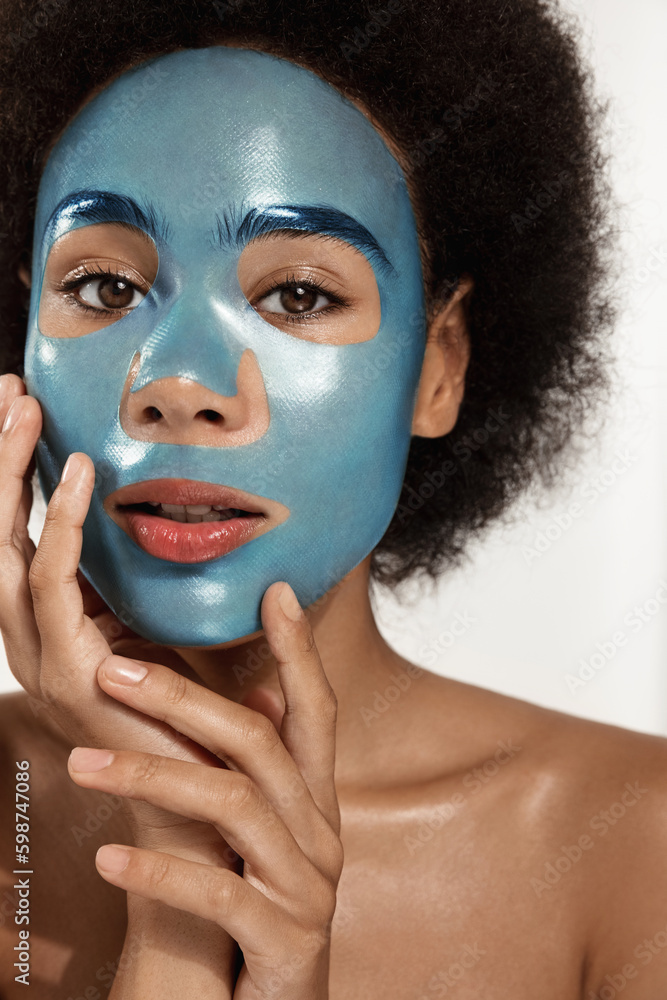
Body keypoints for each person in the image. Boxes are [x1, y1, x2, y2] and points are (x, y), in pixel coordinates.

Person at [1, 1, 666, 998]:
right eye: (104, 288)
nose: (180, 386)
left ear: (438, 366)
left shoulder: (636, 849)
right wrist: (178, 883)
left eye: (298, 295)